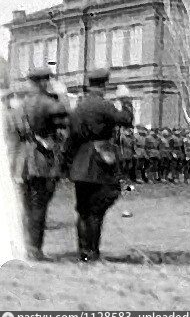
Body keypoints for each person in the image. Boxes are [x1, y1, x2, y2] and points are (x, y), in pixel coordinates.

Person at [61, 70, 134, 262]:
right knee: (96, 210)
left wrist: (66, 164)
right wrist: (126, 100)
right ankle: (93, 252)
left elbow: (71, 139)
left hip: (79, 163)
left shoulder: (79, 107)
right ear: (104, 86)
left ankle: (83, 252)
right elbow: (127, 120)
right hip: (99, 162)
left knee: (83, 210)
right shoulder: (103, 105)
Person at [11, 67, 70, 261]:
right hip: (42, 159)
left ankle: (26, 247)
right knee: (39, 205)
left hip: (23, 159)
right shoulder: (48, 103)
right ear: (44, 82)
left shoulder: (21, 104)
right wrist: (63, 95)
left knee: (27, 206)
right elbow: (65, 120)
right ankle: (35, 250)